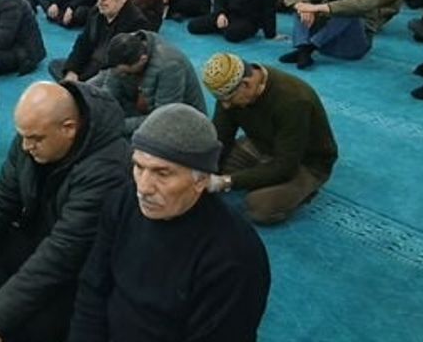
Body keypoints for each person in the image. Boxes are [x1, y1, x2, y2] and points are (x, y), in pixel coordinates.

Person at [68, 104, 271, 342]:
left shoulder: (234, 257)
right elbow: (93, 287)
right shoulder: (123, 201)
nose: (144, 187)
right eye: (139, 167)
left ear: (201, 180)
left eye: (162, 173)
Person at [0, 81, 130, 342]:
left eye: (35, 139)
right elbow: (0, 200)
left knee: (41, 328)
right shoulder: (32, 137)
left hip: (82, 264)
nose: (25, 146)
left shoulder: (108, 168)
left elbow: (62, 253)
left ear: (69, 128)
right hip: (42, 236)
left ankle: (6, 309)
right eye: (22, 136)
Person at [202, 52, 338, 224]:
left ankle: (305, 188)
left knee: (260, 207)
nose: (225, 106)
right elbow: (220, 139)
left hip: (305, 161)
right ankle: (263, 175)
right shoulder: (230, 91)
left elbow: (285, 166)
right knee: (202, 171)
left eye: (228, 99)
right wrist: (204, 171)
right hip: (260, 144)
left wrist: (227, 181)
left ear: (246, 84)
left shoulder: (293, 100)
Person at [280, 0, 381, 69]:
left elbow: (364, 2)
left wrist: (318, 8)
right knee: (302, 8)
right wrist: (301, 6)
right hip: (326, 44)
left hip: (354, 47)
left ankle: (308, 50)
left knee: (348, 11)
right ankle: (303, 49)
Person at [99, 30, 206, 135]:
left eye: (125, 73)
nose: (121, 75)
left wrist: (118, 126)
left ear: (142, 60)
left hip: (179, 122)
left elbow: (163, 118)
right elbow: (110, 86)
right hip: (141, 105)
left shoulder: (170, 66)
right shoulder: (125, 47)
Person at [49, 0, 149, 81]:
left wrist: (84, 81)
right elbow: (83, 44)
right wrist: (72, 71)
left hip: (110, 75)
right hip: (90, 63)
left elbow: (120, 66)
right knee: (56, 65)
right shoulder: (95, 13)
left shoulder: (136, 23)